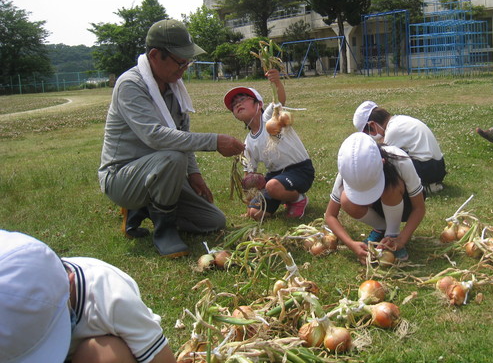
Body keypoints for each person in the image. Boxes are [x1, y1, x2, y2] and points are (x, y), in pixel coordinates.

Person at [98, 19, 245, 258]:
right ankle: (163, 229)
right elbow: (156, 137)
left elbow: (181, 135)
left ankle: (142, 209)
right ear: (155, 55)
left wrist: (194, 175)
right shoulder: (130, 85)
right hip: (122, 177)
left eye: (188, 61)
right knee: (172, 157)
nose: (185, 67)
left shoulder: (173, 87)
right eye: (181, 61)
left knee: (213, 220)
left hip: (160, 171)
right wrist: (214, 141)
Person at [0, 230, 175, 363]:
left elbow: (160, 358)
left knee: (107, 354)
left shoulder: (111, 297)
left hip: (87, 354)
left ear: (68, 283)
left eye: (53, 327)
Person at [223, 69, 314, 221]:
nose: (237, 103)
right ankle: (282, 195)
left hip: (300, 170)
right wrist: (250, 204)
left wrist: (276, 81)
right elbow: (249, 176)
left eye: (243, 99)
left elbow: (280, 99)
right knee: (255, 214)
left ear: (259, 105)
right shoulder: (248, 143)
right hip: (275, 177)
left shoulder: (270, 116)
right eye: (234, 104)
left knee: (272, 186)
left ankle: (298, 198)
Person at [325, 132, 426, 264]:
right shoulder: (348, 171)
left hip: (403, 204)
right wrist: (350, 244)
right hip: (378, 208)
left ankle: (393, 233)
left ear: (383, 162)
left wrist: (402, 239)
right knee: (345, 200)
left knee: (391, 187)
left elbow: (419, 207)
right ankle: (381, 228)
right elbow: (330, 215)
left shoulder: (399, 159)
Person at [353, 100, 446, 194]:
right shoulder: (398, 121)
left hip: (429, 169)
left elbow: (380, 157)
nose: (370, 135)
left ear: (372, 124)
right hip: (436, 165)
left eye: (368, 131)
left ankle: (423, 187)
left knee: (388, 164)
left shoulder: (393, 130)